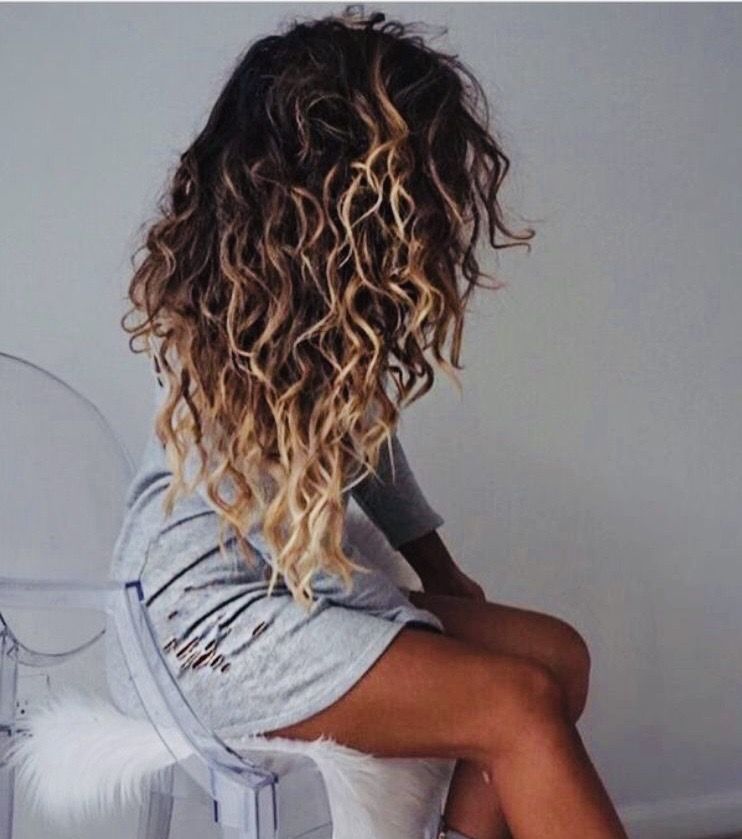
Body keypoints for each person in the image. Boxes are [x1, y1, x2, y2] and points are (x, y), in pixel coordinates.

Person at [109, 7, 628, 838]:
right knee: (516, 701)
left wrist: (441, 570)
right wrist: (416, 616)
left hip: (292, 594)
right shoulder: (232, 320)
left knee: (555, 656)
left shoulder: (318, 317)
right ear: (337, 184)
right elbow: (293, 522)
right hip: (200, 629)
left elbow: (363, 441)